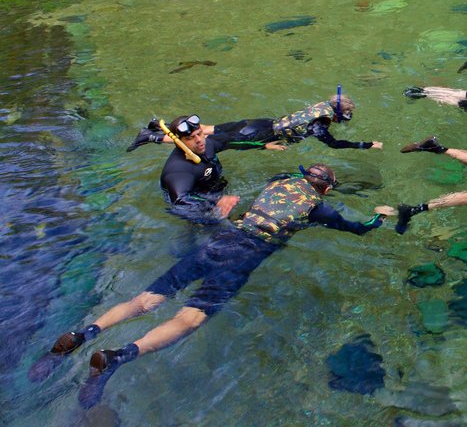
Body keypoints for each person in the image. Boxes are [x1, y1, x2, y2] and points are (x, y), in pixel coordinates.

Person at [28, 163, 395, 408]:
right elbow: (356, 228)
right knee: (190, 320)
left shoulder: (279, 182)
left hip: (218, 242)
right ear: (327, 189)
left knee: (144, 300)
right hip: (243, 256)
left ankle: (83, 334)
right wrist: (377, 218)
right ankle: (114, 359)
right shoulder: (319, 207)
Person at [127, 91, 384, 152]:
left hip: (260, 122)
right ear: (339, 113)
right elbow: (334, 144)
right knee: (208, 140)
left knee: (208, 128)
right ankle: (152, 137)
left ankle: (155, 124)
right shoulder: (322, 123)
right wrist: (365, 144)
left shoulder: (320, 107)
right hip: (258, 135)